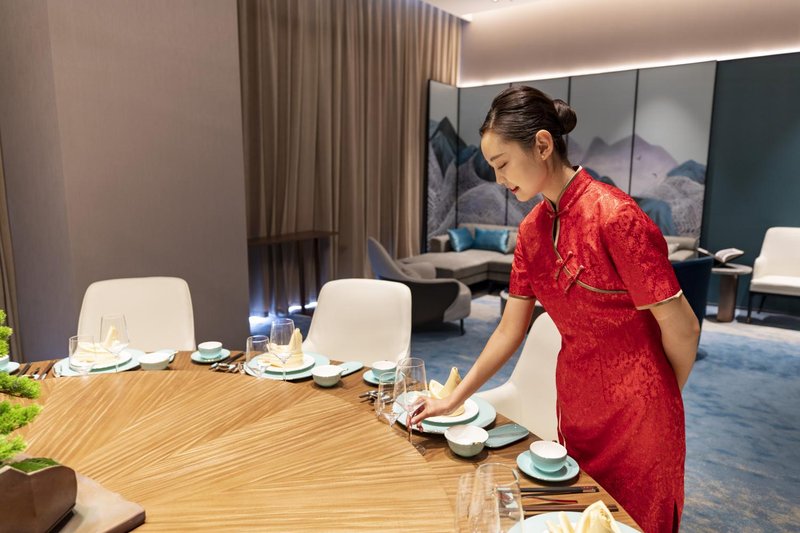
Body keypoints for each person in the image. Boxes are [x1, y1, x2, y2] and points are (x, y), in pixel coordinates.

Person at [410, 86, 699, 533]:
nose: (499, 179)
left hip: (639, 420)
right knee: (579, 520)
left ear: (543, 145)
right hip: (576, 407)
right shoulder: (531, 232)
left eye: (503, 163)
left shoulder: (615, 217)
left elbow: (684, 328)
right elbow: (509, 330)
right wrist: (453, 399)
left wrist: (656, 398)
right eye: (492, 168)